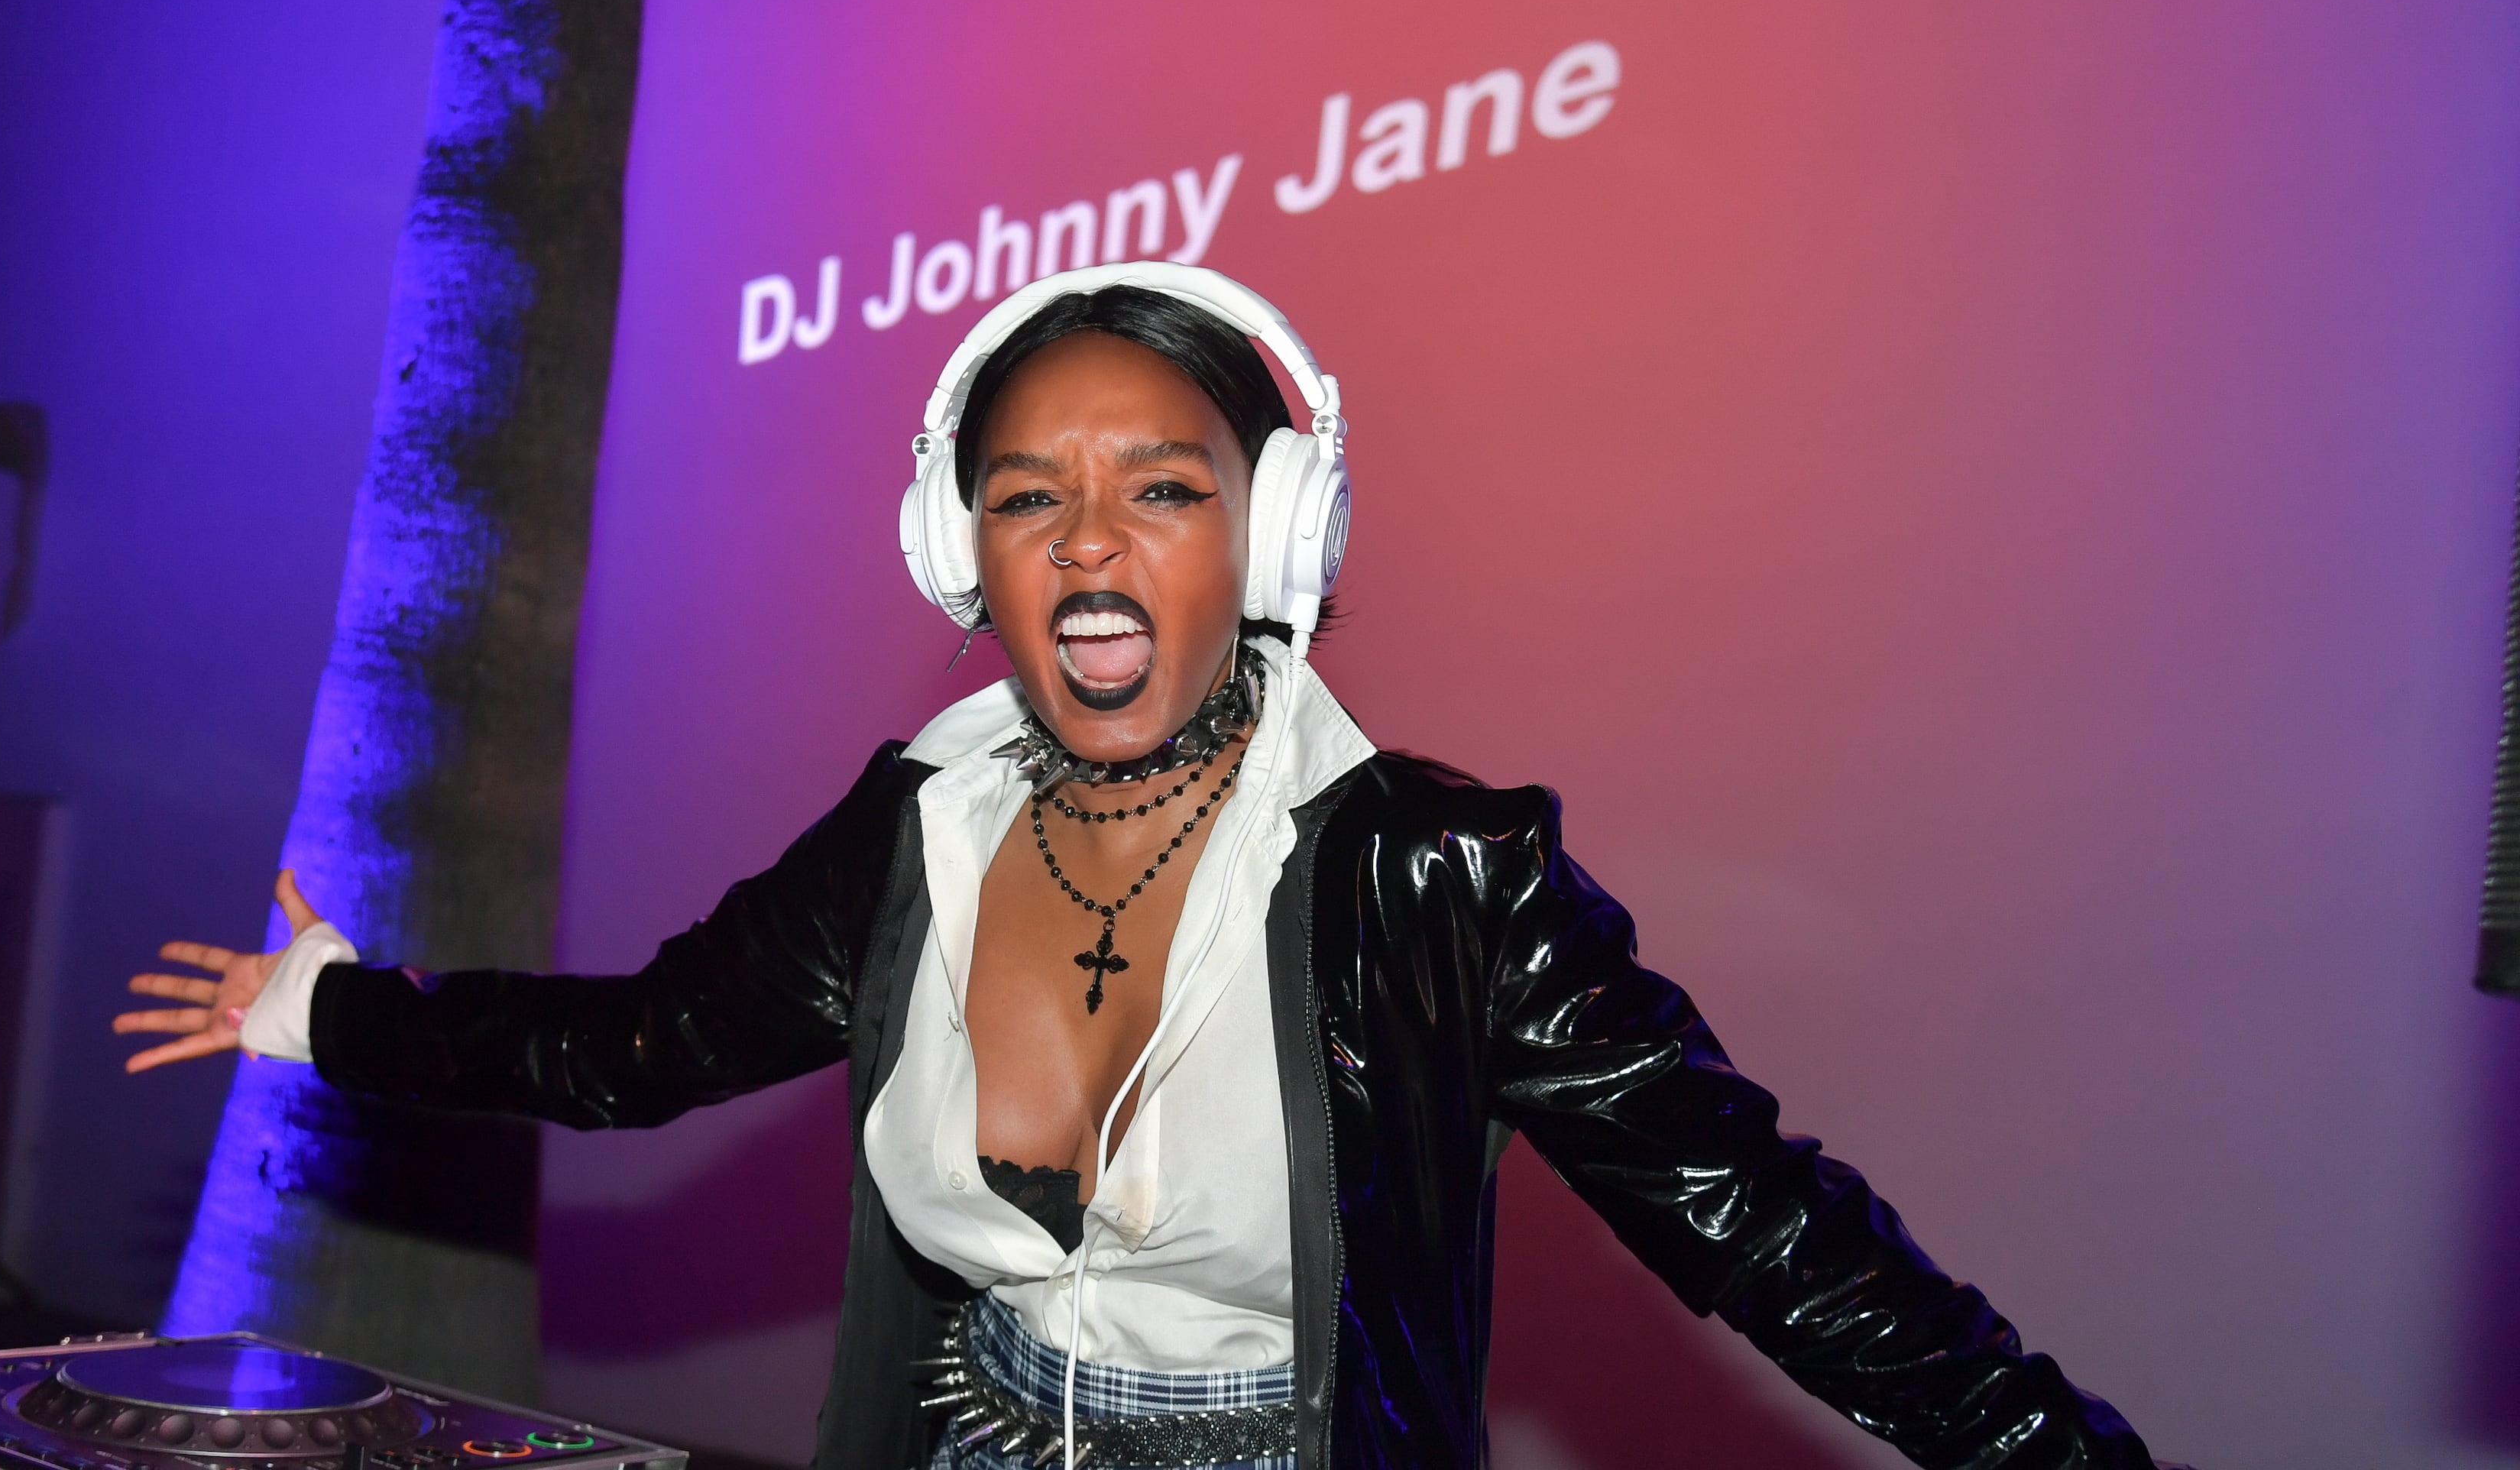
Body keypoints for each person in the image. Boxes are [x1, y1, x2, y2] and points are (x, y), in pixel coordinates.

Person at [120, 265, 2182, 1470]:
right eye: (1029, 499)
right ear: (964, 559)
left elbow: (1774, 1234)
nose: (1090, 544)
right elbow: (641, 1046)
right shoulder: (907, 832)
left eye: (1162, 488)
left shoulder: (1439, 876)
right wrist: (322, 1007)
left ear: (1273, 544)